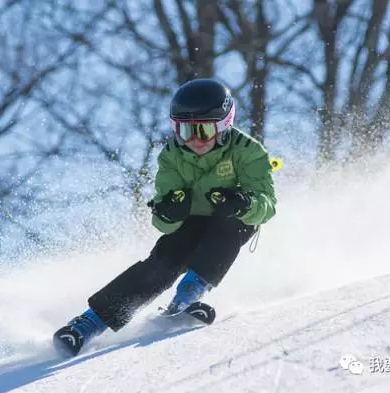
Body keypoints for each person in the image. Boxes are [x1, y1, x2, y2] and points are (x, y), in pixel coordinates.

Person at [53, 78, 277, 356]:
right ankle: (87, 324)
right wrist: (169, 211)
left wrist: (244, 203)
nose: (194, 140)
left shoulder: (248, 150)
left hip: (232, 219)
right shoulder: (172, 156)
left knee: (229, 225)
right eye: (184, 130)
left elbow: (267, 205)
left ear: (223, 126)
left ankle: (186, 297)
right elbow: (162, 222)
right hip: (192, 222)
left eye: (204, 130)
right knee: (166, 258)